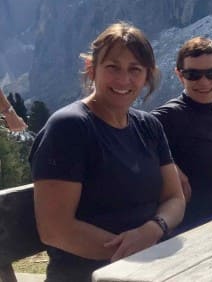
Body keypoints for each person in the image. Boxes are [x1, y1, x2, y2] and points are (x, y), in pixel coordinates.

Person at [29, 22, 185, 282]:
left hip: (149, 267)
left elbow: (175, 197)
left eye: (135, 69)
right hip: (89, 275)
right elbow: (55, 229)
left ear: (147, 75)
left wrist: (153, 229)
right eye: (113, 67)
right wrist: (134, 254)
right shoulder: (69, 127)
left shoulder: (149, 127)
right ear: (92, 69)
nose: (124, 80)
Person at [151, 37, 212, 233]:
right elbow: (131, 138)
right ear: (180, 75)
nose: (204, 82)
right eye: (193, 74)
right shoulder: (168, 115)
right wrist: (170, 166)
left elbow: (209, 137)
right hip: (197, 227)